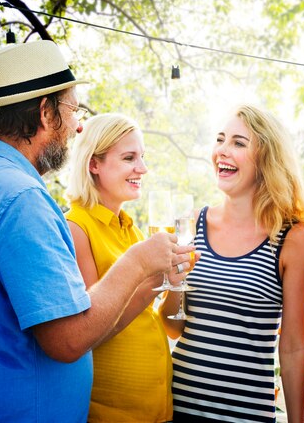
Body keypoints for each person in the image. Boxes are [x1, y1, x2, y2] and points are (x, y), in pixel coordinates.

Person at [0, 40, 192, 422]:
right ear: (46, 113)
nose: (78, 125)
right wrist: (137, 262)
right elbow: (67, 340)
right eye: (72, 109)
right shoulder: (21, 196)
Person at [160, 104, 304, 422]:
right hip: (179, 408)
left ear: (266, 158)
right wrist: (174, 286)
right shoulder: (192, 223)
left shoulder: (293, 238)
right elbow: (172, 326)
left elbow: (293, 345)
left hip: (249, 414)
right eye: (220, 140)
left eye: (238, 143)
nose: (222, 151)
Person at [65, 113, 181, 422]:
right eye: (129, 158)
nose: (142, 168)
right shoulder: (76, 228)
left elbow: (160, 321)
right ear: (94, 164)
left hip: (157, 408)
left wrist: (177, 283)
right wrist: (151, 276)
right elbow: (90, 330)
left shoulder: (133, 231)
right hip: (112, 413)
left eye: (142, 157)